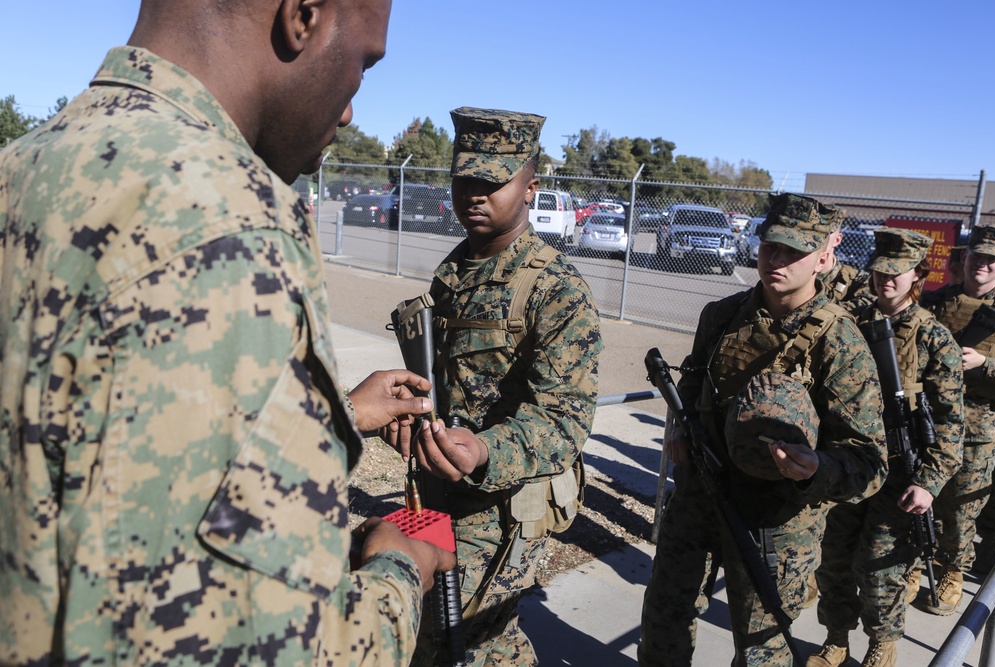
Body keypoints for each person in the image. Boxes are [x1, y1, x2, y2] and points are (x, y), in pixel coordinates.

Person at [0, 1, 459, 665]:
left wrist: (333, 415)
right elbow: (248, 645)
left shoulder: (24, 168)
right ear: (303, 15)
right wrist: (396, 572)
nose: (353, 107)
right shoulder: (231, 230)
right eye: (362, 65)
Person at [386, 107, 603, 666]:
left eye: (492, 182)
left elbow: (565, 421)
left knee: (470, 639)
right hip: (434, 488)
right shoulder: (455, 269)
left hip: (501, 505)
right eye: (464, 180)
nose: (474, 195)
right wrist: (411, 417)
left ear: (530, 188)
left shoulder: (556, 288)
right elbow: (445, 380)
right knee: (437, 631)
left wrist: (484, 448)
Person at [638, 193, 887, 667]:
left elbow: (869, 462)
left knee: (761, 646)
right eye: (771, 245)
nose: (777, 260)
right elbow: (692, 384)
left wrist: (817, 468)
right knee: (665, 617)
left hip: (777, 520)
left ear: (824, 256)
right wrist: (681, 430)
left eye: (795, 251)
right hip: (701, 495)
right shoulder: (721, 316)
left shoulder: (840, 342)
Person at [810, 228, 963, 667]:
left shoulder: (935, 340)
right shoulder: (849, 321)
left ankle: (883, 644)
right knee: (833, 558)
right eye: (879, 271)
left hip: (901, 476)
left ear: (919, 274)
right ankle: (836, 639)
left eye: (895, 273)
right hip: (847, 465)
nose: (884, 281)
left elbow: (952, 422)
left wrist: (929, 482)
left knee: (880, 569)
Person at [918, 224, 995, 614]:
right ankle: (917, 564)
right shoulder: (936, 302)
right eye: (976, 255)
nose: (981, 264)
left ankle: (952, 569)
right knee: (922, 498)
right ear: (963, 259)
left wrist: (985, 366)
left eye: (991, 259)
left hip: (980, 427)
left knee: (962, 508)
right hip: (932, 419)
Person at [818, 214, 874, 307]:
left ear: (837, 239)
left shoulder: (856, 281)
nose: (814, 240)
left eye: (823, 234)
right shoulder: (792, 275)